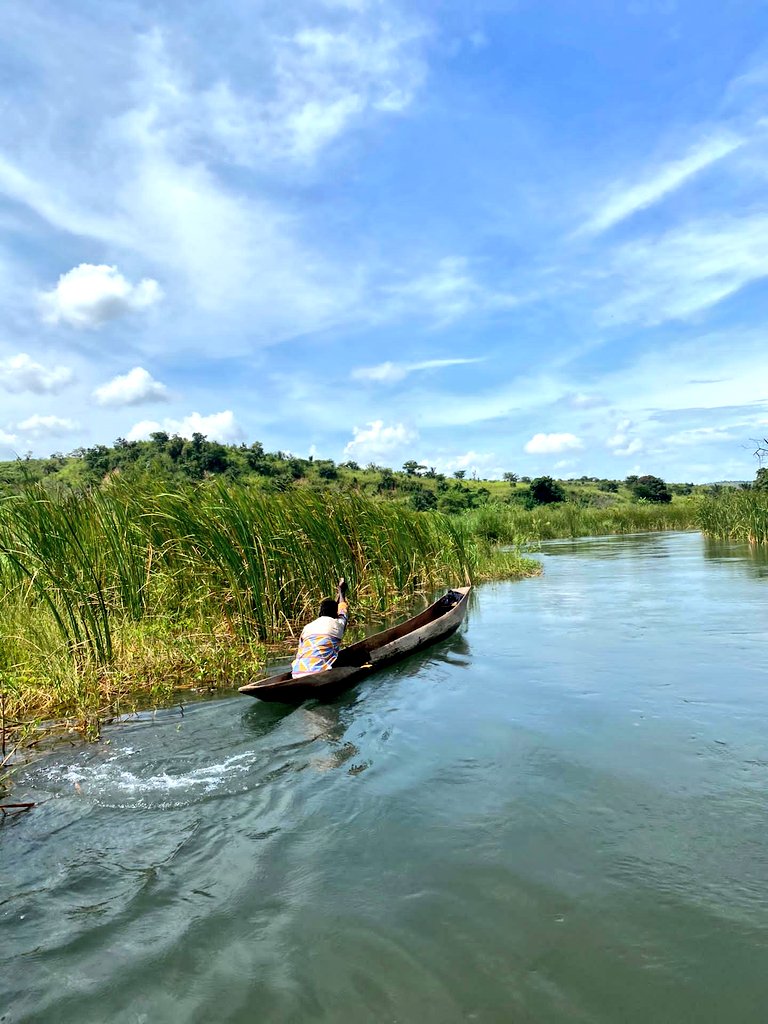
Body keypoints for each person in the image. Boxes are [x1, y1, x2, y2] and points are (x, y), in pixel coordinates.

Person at [291, 578, 349, 678]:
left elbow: (300, 651)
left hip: (296, 674)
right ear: (335, 614)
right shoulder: (337, 624)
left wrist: (339, 592)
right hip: (319, 674)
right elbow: (343, 609)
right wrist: (341, 592)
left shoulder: (307, 627)